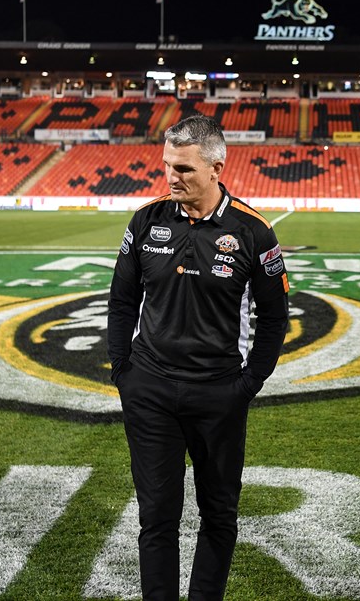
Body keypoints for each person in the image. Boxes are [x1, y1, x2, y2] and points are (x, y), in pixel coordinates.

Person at [107, 114, 289, 601]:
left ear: (216, 167)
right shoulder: (146, 220)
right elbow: (121, 300)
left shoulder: (254, 232)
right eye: (167, 165)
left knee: (219, 515)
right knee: (157, 516)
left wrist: (247, 385)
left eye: (184, 169)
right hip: (150, 391)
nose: (172, 177)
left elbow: (275, 318)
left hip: (218, 393)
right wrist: (122, 371)